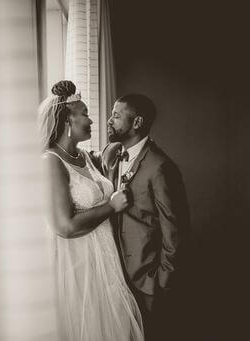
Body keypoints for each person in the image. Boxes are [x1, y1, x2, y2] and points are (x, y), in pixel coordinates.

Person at [38, 80, 144, 341]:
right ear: (67, 121)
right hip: (77, 265)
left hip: (104, 258)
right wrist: (111, 206)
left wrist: (110, 153)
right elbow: (65, 226)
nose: (91, 120)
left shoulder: (83, 156)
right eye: (84, 113)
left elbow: (93, 175)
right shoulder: (50, 162)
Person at [102, 94, 190, 341]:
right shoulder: (113, 154)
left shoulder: (160, 167)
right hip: (117, 279)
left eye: (117, 116)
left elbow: (176, 231)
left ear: (137, 122)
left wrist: (162, 282)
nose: (110, 120)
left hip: (149, 283)